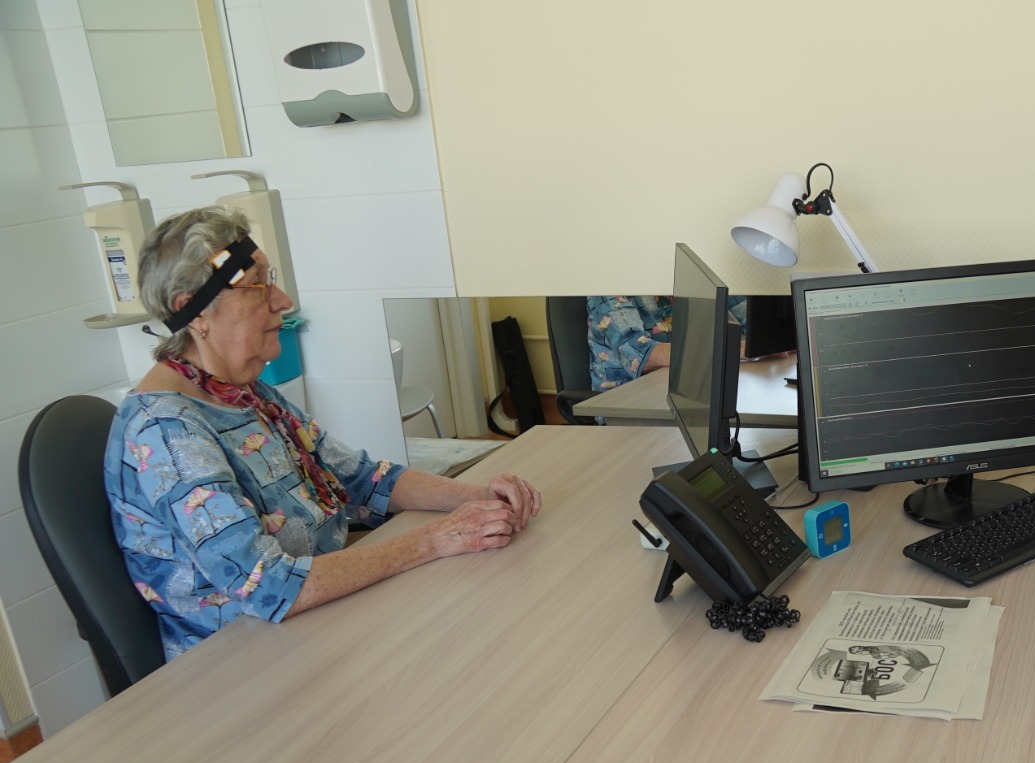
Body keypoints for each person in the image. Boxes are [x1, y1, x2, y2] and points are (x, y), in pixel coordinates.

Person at [107, 206, 542, 661]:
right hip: (244, 662)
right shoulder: (166, 433)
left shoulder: (243, 392)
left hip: (318, 622)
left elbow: (362, 478)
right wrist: (437, 539)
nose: (282, 300)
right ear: (193, 311)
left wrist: (480, 499)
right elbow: (271, 585)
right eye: (258, 285)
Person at [585, 295, 750, 392]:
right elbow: (643, 355)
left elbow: (748, 316)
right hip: (629, 404)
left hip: (692, 387)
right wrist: (732, 349)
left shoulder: (689, 266)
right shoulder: (609, 284)